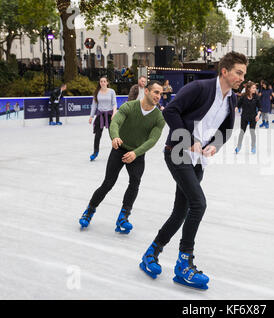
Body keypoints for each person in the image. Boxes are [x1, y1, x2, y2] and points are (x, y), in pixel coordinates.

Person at [139, 52, 246, 290]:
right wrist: (188, 139)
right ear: (225, 71)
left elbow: (227, 131)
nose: (242, 78)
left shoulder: (231, 99)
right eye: (239, 72)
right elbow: (170, 111)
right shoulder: (200, 87)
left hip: (198, 160)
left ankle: (150, 254)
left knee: (181, 211)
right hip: (178, 152)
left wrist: (213, 147)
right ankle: (184, 265)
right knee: (198, 204)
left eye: (244, 74)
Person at [79, 80, 166, 233]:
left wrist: (135, 153)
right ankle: (89, 211)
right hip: (119, 149)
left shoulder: (159, 117)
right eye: (156, 92)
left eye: (161, 93)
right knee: (108, 183)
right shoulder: (129, 106)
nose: (159, 96)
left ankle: (123, 216)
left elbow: (153, 140)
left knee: (134, 184)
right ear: (146, 91)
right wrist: (114, 137)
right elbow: (115, 123)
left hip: (137, 154)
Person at [89, 76, 117, 161]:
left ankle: (117, 152)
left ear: (107, 83)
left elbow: (114, 104)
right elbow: (94, 105)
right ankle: (95, 152)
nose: (103, 83)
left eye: (104, 81)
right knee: (97, 135)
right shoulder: (97, 92)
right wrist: (91, 116)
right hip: (100, 115)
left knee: (113, 135)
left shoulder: (111, 91)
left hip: (109, 115)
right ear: (99, 83)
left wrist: (114, 113)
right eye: (101, 81)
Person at [235, 81, 261, 154]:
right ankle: (238, 146)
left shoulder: (256, 97)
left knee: (252, 132)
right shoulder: (243, 96)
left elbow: (260, 107)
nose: (255, 89)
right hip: (244, 116)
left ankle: (253, 146)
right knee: (242, 132)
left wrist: (258, 115)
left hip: (253, 117)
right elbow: (238, 105)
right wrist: (236, 108)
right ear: (249, 89)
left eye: (255, 88)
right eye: (253, 88)